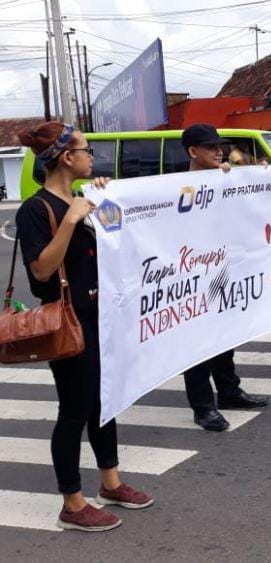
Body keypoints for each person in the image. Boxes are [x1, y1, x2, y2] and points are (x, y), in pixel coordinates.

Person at [16, 122, 153, 532]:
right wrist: (71, 220)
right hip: (67, 321)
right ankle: (72, 504)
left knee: (105, 403)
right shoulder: (35, 209)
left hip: (100, 315)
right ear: (66, 157)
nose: (92, 156)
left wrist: (102, 199)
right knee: (75, 411)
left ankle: (110, 483)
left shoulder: (83, 198)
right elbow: (40, 270)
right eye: (86, 149)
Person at [180, 124, 269, 432]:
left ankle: (229, 391)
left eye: (220, 146)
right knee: (197, 343)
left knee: (225, 336)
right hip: (192, 275)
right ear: (193, 151)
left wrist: (257, 177)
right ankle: (203, 406)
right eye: (211, 147)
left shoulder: (227, 179)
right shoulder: (175, 187)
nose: (219, 151)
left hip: (224, 270)